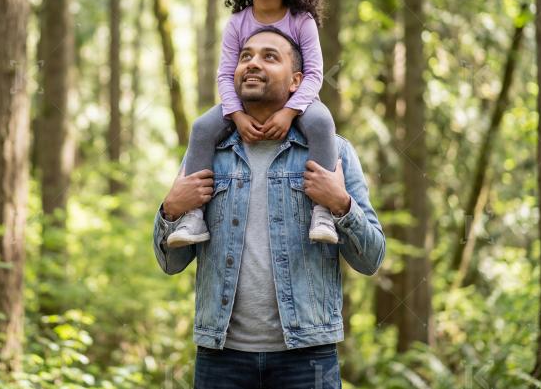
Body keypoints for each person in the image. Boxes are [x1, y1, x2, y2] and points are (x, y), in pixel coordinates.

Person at [152, 29, 386, 388]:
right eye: (245, 56)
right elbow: (171, 264)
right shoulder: (206, 153)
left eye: (269, 56)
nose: (252, 64)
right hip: (221, 358)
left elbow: (371, 259)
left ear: (297, 82)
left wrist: (340, 203)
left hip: (308, 356)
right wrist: (170, 210)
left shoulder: (333, 152)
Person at [167, 0, 340, 248]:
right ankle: (192, 216)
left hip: (299, 100)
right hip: (241, 105)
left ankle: (324, 211)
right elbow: (225, 75)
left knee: (321, 123)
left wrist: (291, 111)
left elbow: (314, 74)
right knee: (202, 127)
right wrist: (236, 115)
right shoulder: (237, 23)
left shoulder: (302, 21)